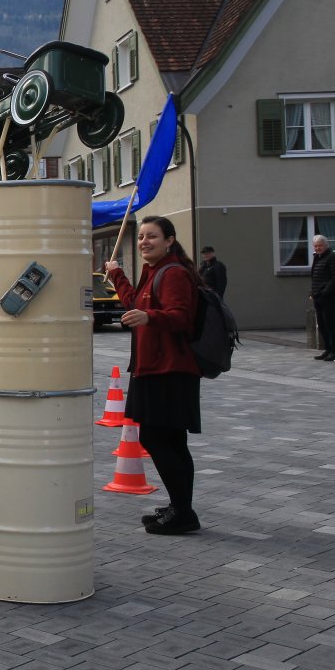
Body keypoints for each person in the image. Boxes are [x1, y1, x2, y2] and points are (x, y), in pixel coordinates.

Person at [104, 215, 202, 536]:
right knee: (169, 440)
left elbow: (181, 317)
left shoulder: (173, 273)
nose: (144, 241)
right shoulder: (155, 272)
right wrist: (117, 274)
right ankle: (180, 507)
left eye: (152, 236)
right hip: (153, 368)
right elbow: (134, 304)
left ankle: (183, 512)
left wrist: (150, 317)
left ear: (169, 240)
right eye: (142, 236)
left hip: (168, 369)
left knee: (159, 438)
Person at [309, 235, 335, 361]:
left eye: (320, 245)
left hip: (328, 297)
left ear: (326, 245)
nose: (318, 248)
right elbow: (315, 277)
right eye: (316, 246)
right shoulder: (317, 258)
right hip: (317, 296)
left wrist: (325, 292)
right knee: (322, 324)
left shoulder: (333, 257)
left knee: (330, 324)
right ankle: (328, 349)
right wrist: (312, 292)